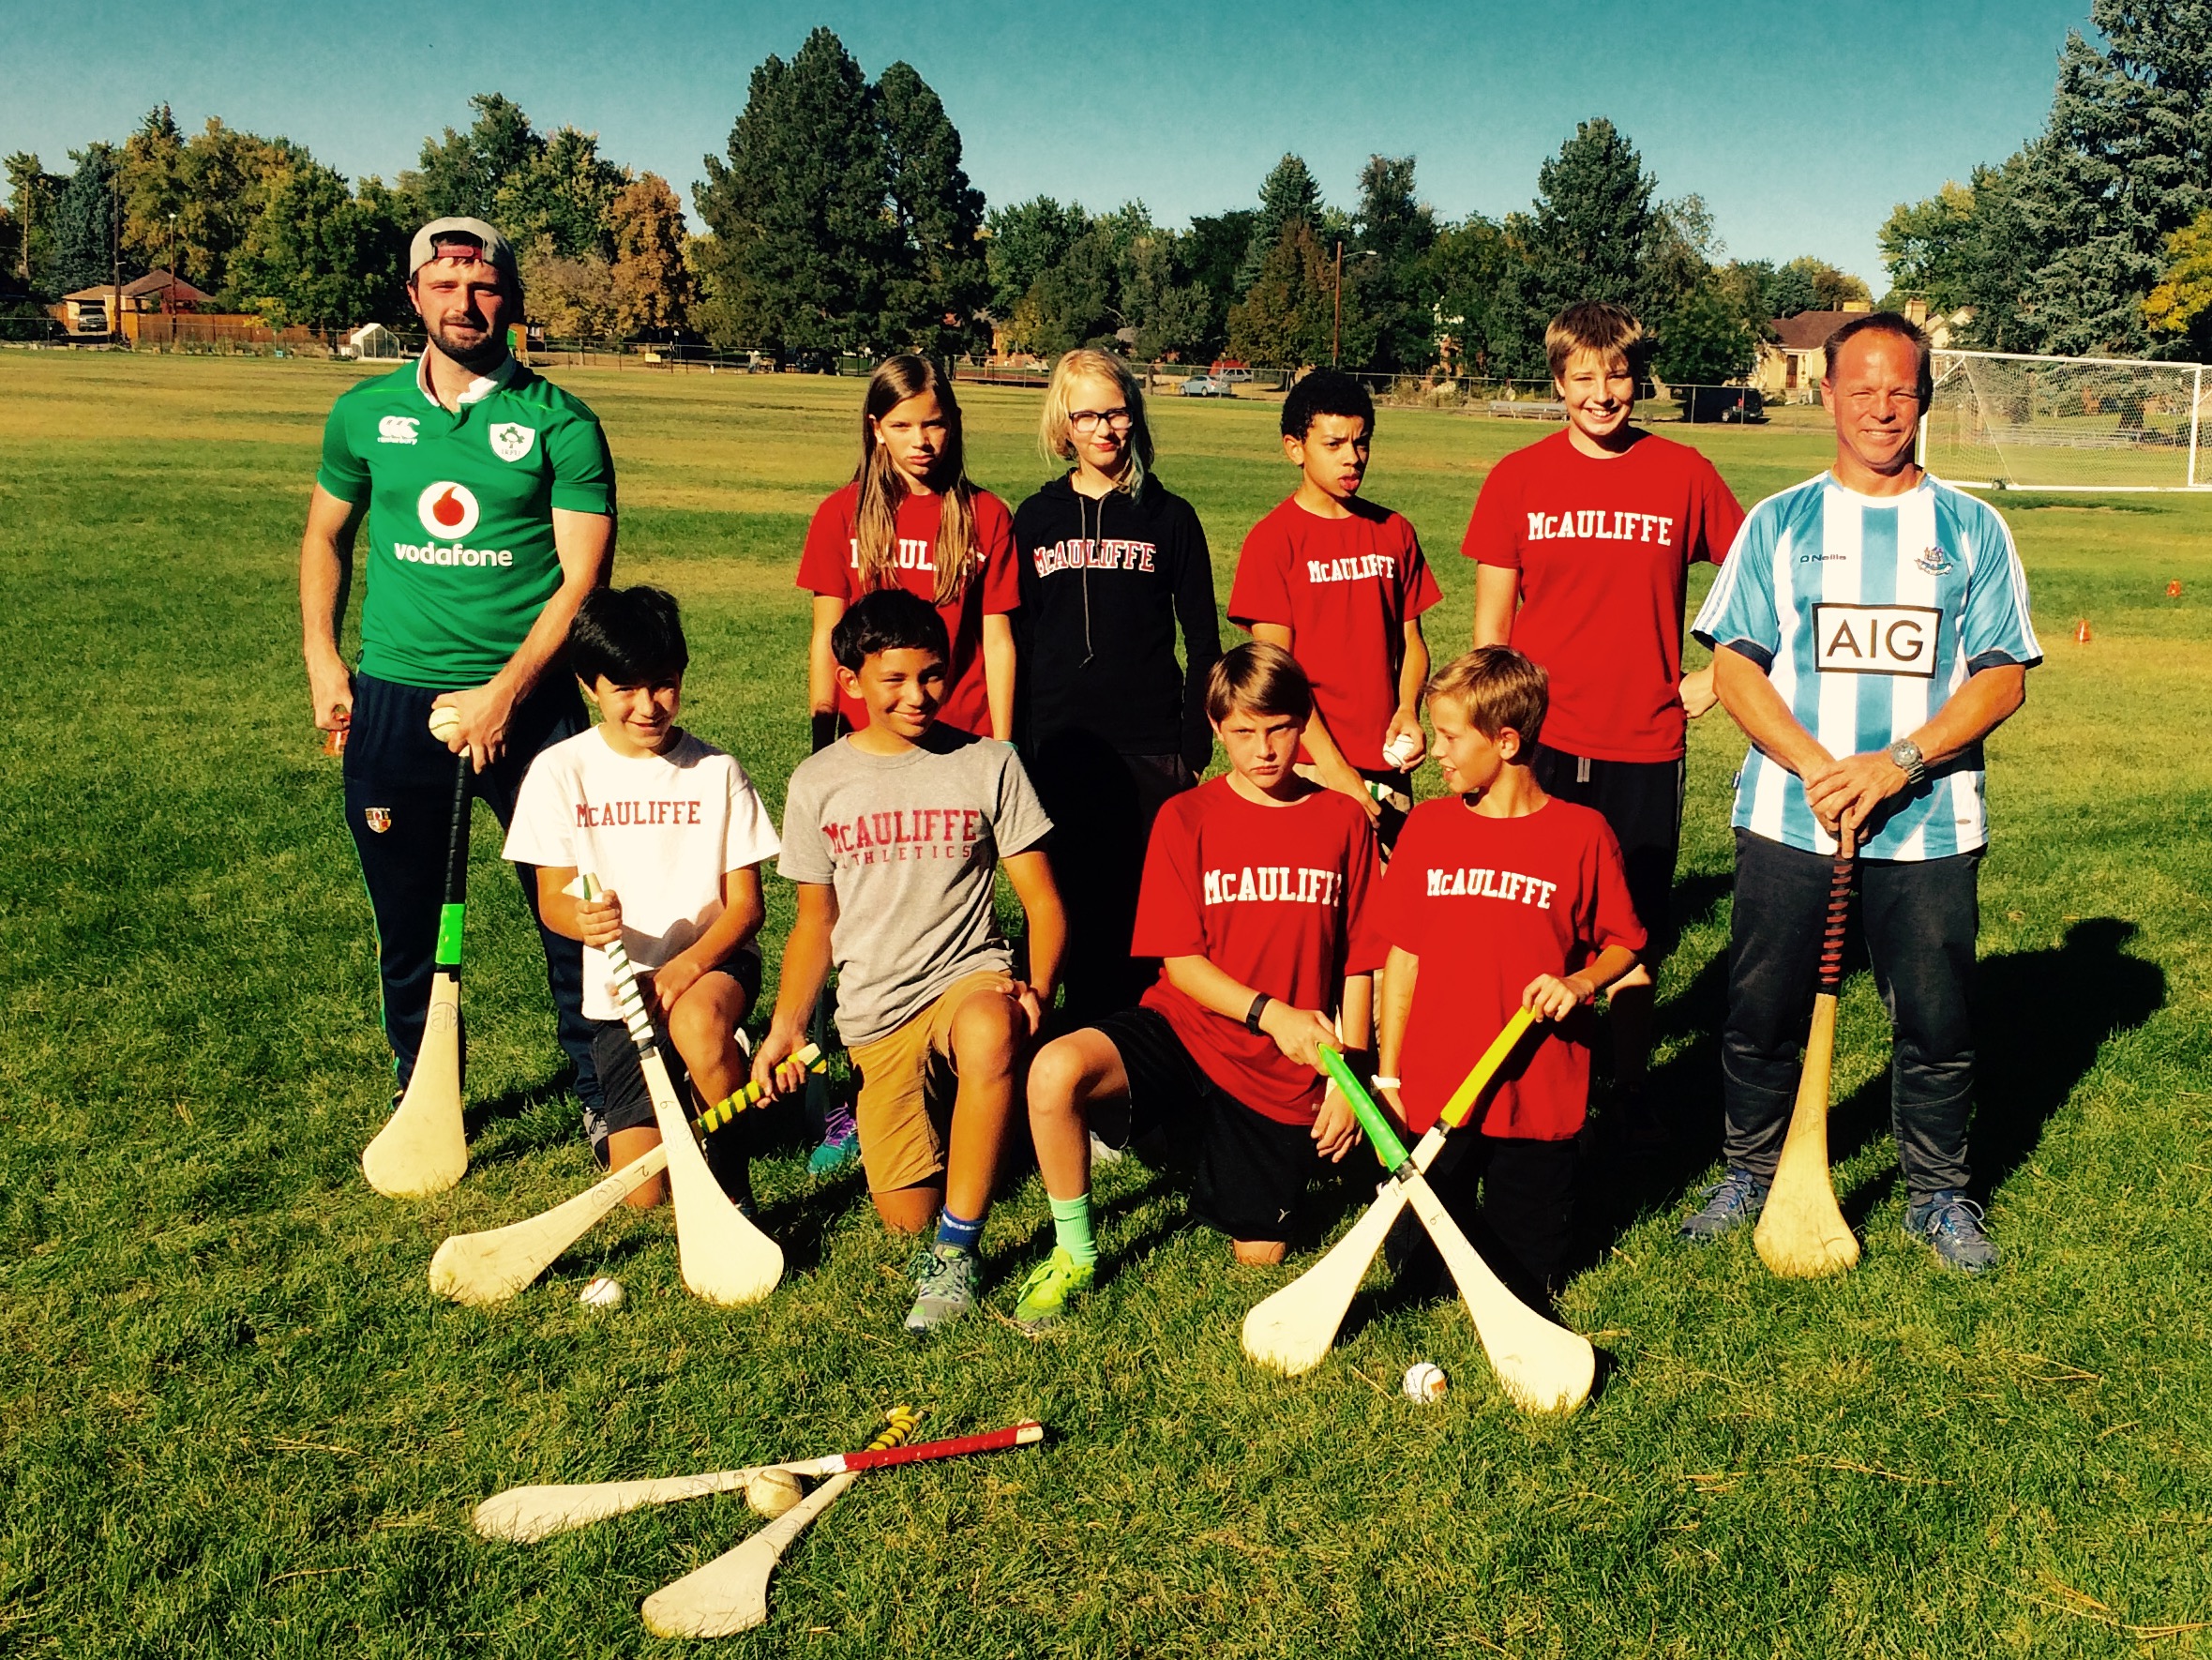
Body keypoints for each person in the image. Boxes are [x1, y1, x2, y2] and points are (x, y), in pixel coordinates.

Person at [1682, 311, 2040, 1272]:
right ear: (1827, 395)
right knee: (1760, 1010)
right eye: (1861, 388)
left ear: (1922, 395)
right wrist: (1813, 765)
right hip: (1787, 817)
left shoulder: (1970, 527)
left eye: (1900, 388)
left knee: (1935, 1020)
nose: (1882, 407)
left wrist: (1898, 764)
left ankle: (1937, 1195)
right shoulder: (1780, 521)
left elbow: (2000, 676)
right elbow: (1734, 670)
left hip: (1927, 823)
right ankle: (1750, 1174)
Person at [299, 216, 615, 1135]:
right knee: (409, 927)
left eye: (481, 288)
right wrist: (324, 659)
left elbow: (582, 582)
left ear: (508, 299)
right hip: (394, 700)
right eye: (444, 286)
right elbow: (325, 536)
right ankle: (422, 1093)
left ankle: (605, 1098)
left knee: (573, 914)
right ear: (414, 297)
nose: (463, 303)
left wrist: (504, 695)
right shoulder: (363, 414)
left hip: (535, 703)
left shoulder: (560, 422)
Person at [1011, 644, 1384, 1334]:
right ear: (1216, 730)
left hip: (1285, 1064)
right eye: (1242, 732)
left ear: (1303, 722)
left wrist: (1347, 1076)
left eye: (1278, 728)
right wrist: (1270, 1013)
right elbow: (1179, 964)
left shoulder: (1340, 820)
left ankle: (1202, 1139)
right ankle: (1075, 1253)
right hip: (1189, 1024)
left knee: (1260, 1254)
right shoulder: (1186, 816)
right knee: (1053, 1072)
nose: (1263, 749)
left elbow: (1361, 961)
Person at [752, 589, 1066, 1335]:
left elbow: (1045, 905)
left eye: (930, 675)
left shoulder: (989, 763)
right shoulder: (817, 781)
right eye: (892, 680)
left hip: (969, 977)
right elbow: (813, 925)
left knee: (989, 1034)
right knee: (901, 1219)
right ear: (852, 681)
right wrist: (786, 1027)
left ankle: (958, 1252)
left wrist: (1039, 992)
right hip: (873, 1008)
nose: (917, 695)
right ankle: (969, 1133)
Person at [1461, 302, 1744, 1127]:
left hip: (1642, 740)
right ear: (1557, 382)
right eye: (1583, 377)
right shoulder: (1517, 477)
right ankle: (1516, 1078)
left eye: (1616, 374)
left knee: (1629, 931)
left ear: (1636, 376)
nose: (1602, 393)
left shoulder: (1684, 473)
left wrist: (1716, 678)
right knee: (1523, 922)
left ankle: (1623, 1095)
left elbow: (1757, 581)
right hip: (1536, 740)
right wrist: (1491, 731)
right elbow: (1490, 631)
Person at [795, 355, 1022, 1176]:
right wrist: (823, 734)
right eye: (902, 426)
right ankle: (851, 1098)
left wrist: (1003, 740)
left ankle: (972, 1077)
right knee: (852, 923)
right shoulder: (841, 516)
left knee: (957, 918)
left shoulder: (984, 515)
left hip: (957, 748)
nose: (921, 441)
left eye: (934, 423)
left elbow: (996, 638)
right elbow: (827, 630)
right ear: (873, 428)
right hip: (862, 753)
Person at [1369, 647, 1644, 1310]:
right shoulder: (1429, 827)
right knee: (1417, 1277)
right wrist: (1390, 1074)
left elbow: (1624, 947)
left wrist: (1580, 983)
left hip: (1537, 1094)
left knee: (1527, 1280)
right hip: (1439, 1093)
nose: (1435, 751)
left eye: (1449, 736)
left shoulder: (1582, 834)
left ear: (1506, 740)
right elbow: (1400, 956)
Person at [499, 587, 778, 1208]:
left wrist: (687, 965)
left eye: (663, 684)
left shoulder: (716, 772)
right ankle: (699, 1083)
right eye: (625, 688)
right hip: (621, 991)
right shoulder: (558, 771)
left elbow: (746, 909)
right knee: (643, 1195)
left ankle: (734, 1191)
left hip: (711, 964)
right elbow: (552, 901)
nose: (648, 706)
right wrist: (585, 919)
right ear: (588, 685)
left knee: (698, 1025)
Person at [1015, 347, 1222, 1021]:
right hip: (1060, 745)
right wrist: (1017, 742)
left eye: (1117, 412)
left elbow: (1203, 637)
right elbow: (1014, 639)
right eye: (1087, 416)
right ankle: (1057, 1046)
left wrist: (1191, 741)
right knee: (1064, 905)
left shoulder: (1169, 517)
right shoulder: (1036, 519)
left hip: (1148, 744)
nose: (1104, 429)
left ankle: (1130, 1053)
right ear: (1061, 427)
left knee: (1143, 914)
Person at [1228, 370, 1440, 846]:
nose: (1352, 458)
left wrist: (1408, 709)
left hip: (1386, 763)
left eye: (1361, 442)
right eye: (1334, 444)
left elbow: (1412, 643)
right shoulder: (1273, 541)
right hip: (1307, 765)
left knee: (1383, 910)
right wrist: (1335, 769)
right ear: (1294, 447)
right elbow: (1276, 678)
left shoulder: (1394, 531)